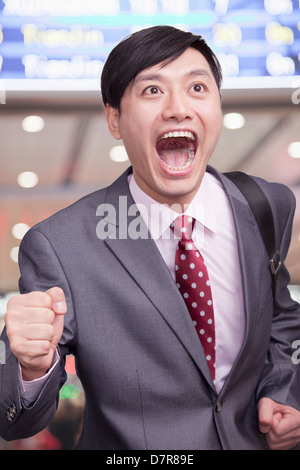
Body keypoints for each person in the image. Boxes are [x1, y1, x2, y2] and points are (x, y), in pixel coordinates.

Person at [1, 25, 300, 450]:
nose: (179, 108)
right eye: (152, 91)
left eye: (197, 86)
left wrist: (285, 392)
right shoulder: (60, 246)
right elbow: (14, 421)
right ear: (115, 119)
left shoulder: (266, 205)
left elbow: (283, 321)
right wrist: (32, 368)